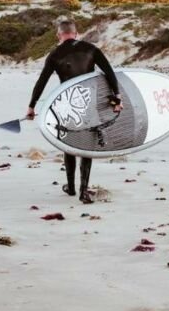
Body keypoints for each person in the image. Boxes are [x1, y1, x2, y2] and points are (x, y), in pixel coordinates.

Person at [27, 17, 122, 204]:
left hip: (67, 105)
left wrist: (32, 106)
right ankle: (83, 190)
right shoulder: (91, 49)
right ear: (76, 33)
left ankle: (70, 187)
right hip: (88, 102)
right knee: (87, 145)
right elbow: (109, 73)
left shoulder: (54, 54)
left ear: (58, 35)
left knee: (68, 144)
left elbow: (42, 82)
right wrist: (116, 96)